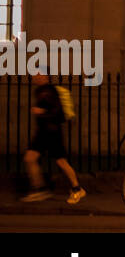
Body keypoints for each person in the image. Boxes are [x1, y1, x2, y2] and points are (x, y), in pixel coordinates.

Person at [20, 75, 85, 204]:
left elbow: (58, 113)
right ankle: (40, 190)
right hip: (43, 132)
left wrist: (41, 112)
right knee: (30, 158)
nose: (35, 76)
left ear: (46, 77)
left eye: (39, 74)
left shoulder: (50, 91)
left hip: (52, 132)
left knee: (61, 162)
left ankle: (77, 189)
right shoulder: (39, 91)